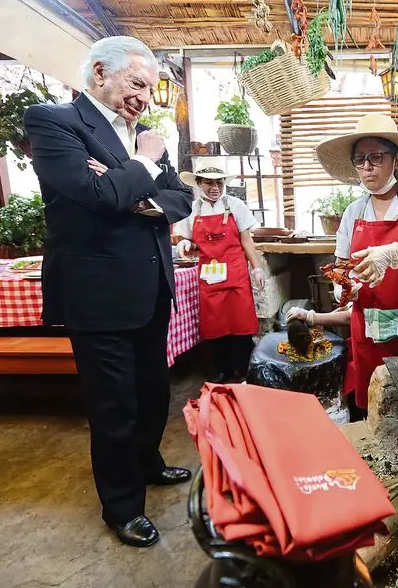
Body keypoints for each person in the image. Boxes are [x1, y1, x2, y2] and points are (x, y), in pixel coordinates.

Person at [23, 36, 194, 548]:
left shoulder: (141, 135)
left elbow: (181, 198)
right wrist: (141, 165)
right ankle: (121, 507)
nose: (145, 97)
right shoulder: (55, 122)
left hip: (149, 286)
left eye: (152, 88)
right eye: (138, 84)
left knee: (151, 391)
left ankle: (148, 463)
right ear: (100, 73)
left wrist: (134, 191)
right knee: (113, 404)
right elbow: (97, 195)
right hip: (97, 296)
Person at [313, 114, 398, 420]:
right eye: (360, 159)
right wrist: (344, 286)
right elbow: (342, 263)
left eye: (376, 157)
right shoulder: (353, 211)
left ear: (395, 161)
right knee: (372, 405)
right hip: (369, 328)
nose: (367, 166)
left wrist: (392, 252)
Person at [175, 157, 264, 383]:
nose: (215, 188)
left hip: (236, 273)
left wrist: (256, 268)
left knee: (241, 324)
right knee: (215, 326)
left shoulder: (236, 205)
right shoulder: (192, 210)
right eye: (209, 183)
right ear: (198, 183)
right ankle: (223, 370)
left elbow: (246, 239)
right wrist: (186, 244)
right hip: (210, 276)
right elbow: (187, 239)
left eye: (219, 183)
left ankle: (243, 370)